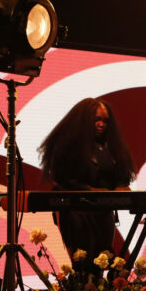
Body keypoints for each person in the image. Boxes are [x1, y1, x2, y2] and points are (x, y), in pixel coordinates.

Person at [38, 98, 135, 272]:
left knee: (102, 261)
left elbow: (119, 175)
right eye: (97, 120)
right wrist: (91, 190)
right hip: (76, 212)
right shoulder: (68, 145)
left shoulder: (109, 147)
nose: (101, 124)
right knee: (82, 262)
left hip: (104, 211)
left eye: (105, 121)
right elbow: (64, 179)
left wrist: (121, 187)